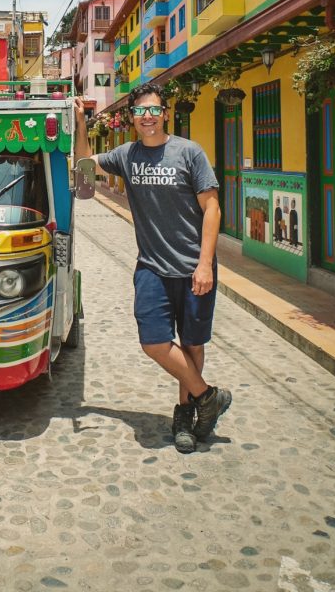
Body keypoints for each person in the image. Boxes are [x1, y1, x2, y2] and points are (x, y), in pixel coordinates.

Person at [74, 82, 231, 454]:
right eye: (140, 111)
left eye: (154, 110)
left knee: (192, 344)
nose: (147, 116)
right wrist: (81, 123)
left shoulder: (189, 153)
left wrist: (205, 264)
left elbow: (212, 208)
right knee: (154, 342)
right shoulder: (127, 156)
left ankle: (186, 417)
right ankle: (208, 397)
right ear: (132, 117)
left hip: (194, 267)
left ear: (165, 113)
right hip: (152, 268)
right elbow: (84, 165)